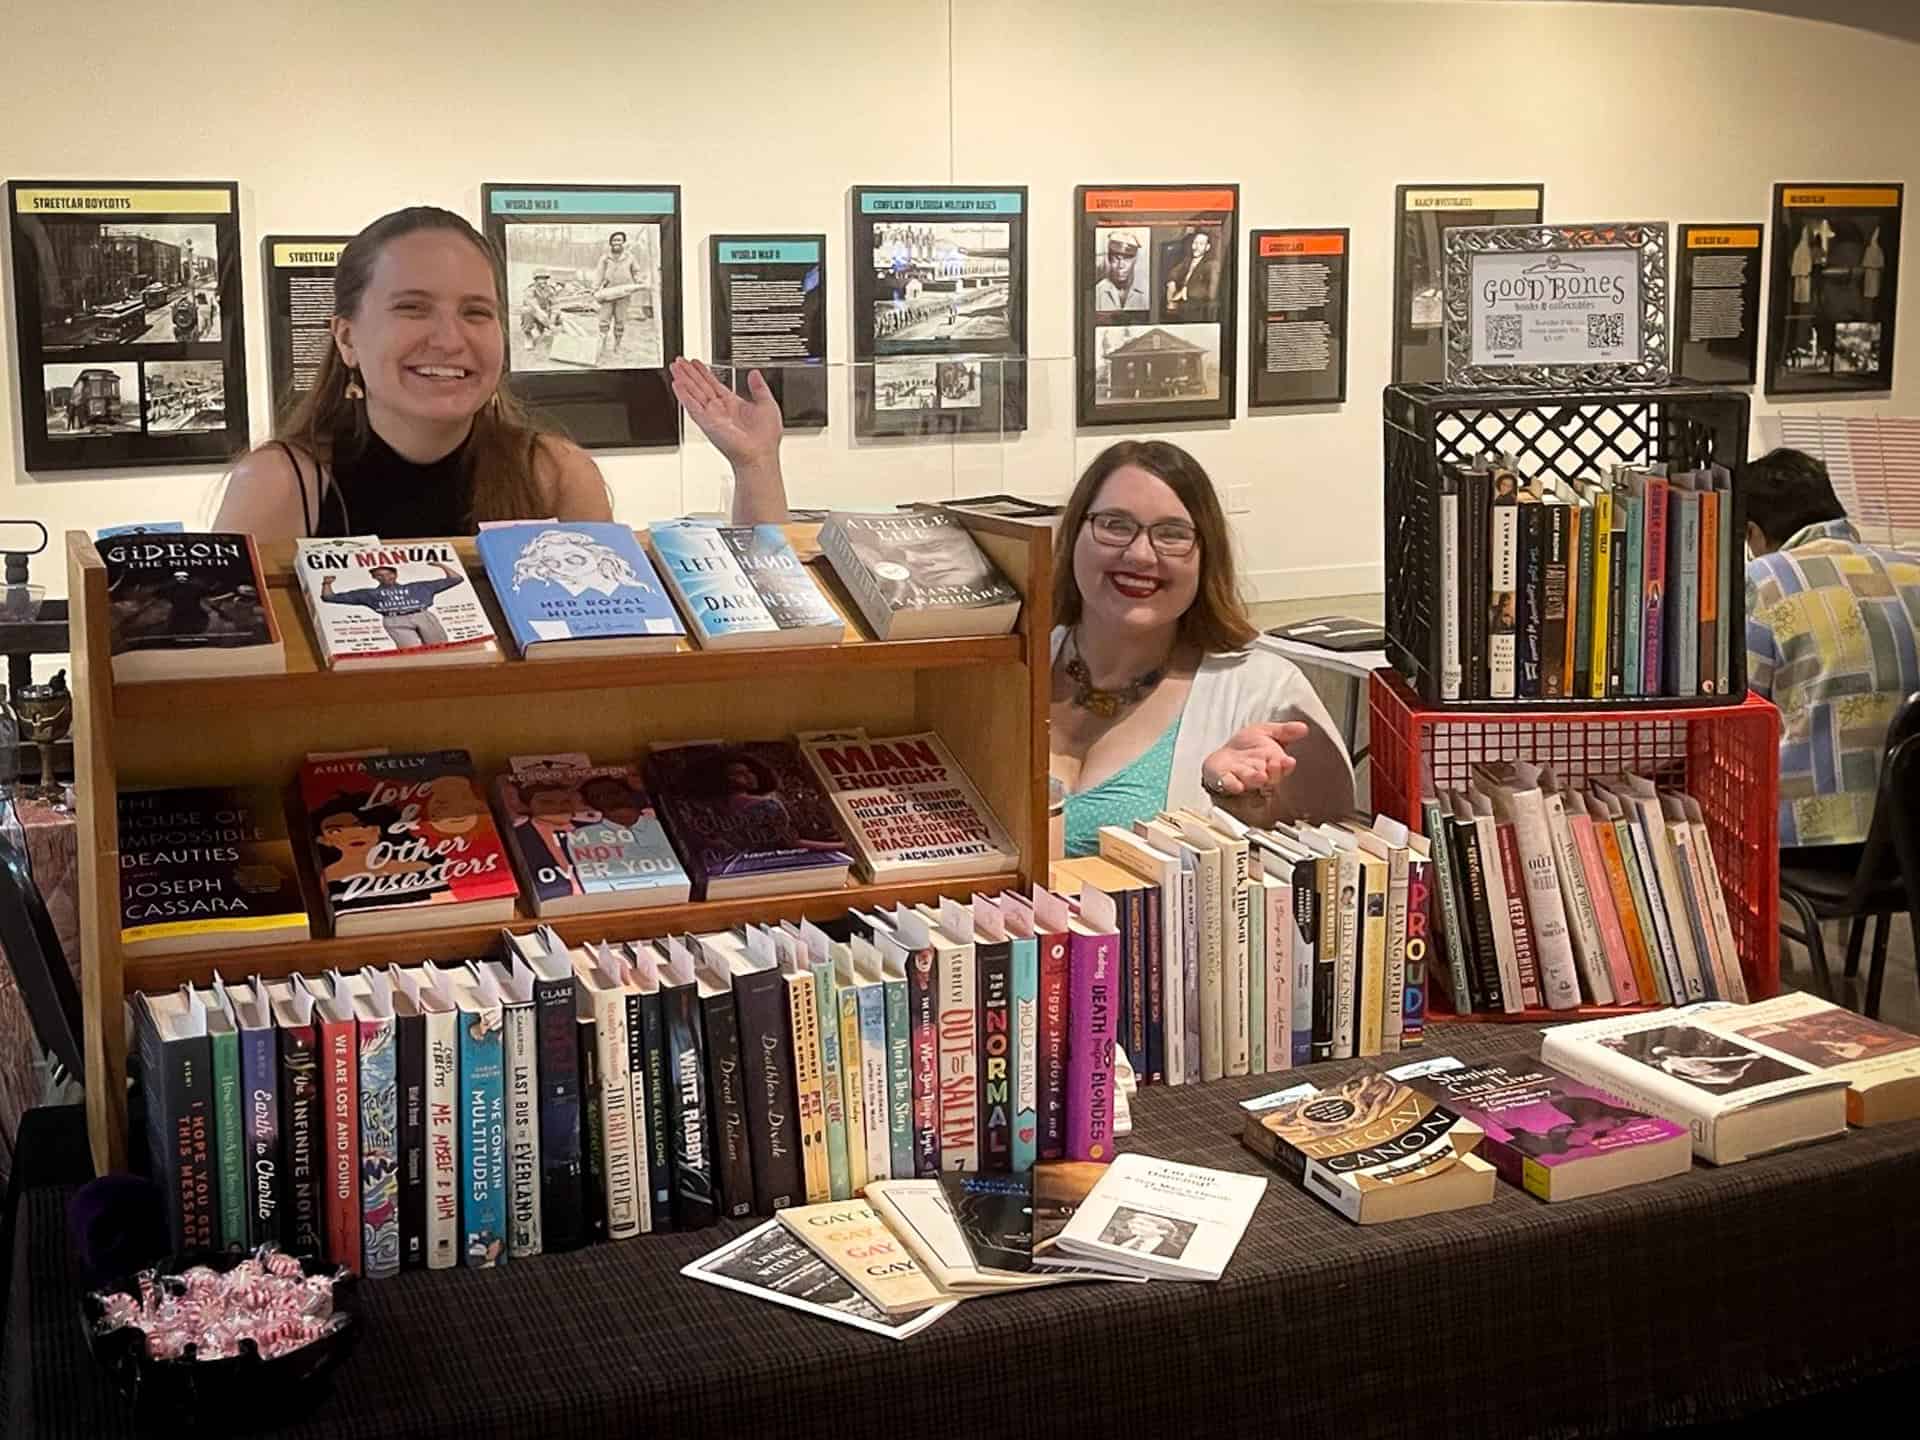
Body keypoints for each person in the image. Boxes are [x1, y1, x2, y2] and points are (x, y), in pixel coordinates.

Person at [668, 358, 1353, 854]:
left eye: (1173, 535)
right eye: (1114, 525)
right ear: (1073, 535)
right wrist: (756, 468)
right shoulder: (1009, 654)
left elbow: (1333, 855)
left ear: (1206, 558)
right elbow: (793, 634)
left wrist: (1255, 808)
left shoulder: (1258, 689)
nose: (1140, 556)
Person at [215, 206, 613, 541]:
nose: (449, 340)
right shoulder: (277, 485)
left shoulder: (557, 476)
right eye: (412, 308)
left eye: (475, 312)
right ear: (347, 338)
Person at [1743, 447, 1920, 852]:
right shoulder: (1914, 571)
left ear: (1753, 532)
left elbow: (1737, 716)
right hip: (1909, 841)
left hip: (1811, 841)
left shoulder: (1761, 581)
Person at [319, 561, 462, 649]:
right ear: (374, 578)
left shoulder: (418, 587)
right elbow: (329, 597)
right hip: (393, 620)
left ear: (395, 574)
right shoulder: (369, 594)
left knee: (440, 647)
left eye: (388, 574)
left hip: (422, 614)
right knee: (410, 652)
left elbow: (456, 579)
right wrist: (327, 583)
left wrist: (441, 565)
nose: (385, 578)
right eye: (379, 576)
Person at [591, 230, 647, 363]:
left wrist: (639, 280)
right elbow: (599, 273)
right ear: (611, 243)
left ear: (623, 243)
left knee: (620, 321)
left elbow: (636, 271)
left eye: (619, 240)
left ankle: (617, 345)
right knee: (604, 321)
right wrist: (594, 288)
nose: (617, 243)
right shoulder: (605, 258)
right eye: (614, 240)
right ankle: (602, 346)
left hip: (624, 294)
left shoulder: (630, 257)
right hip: (607, 293)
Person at [1163, 230, 1219, 318]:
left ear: (1207, 247)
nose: (1196, 247)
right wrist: (1172, 282)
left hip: (1198, 311)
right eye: (1195, 243)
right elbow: (1174, 272)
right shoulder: (1188, 260)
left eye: (1201, 244)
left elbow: (1212, 292)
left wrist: (1186, 291)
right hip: (1182, 308)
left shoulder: (1212, 265)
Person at [1094, 232, 1149, 312]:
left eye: (1127, 259)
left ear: (1135, 260)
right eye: (1116, 258)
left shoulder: (1145, 293)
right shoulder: (1098, 292)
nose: (1121, 265)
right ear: (1109, 260)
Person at [519, 271, 560, 347]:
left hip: (545, 314)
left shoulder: (550, 290)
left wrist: (552, 320)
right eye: (541, 278)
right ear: (536, 280)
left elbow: (555, 305)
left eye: (545, 279)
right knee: (527, 310)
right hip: (535, 313)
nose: (543, 281)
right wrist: (544, 318)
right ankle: (528, 336)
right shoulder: (530, 290)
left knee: (560, 316)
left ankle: (543, 330)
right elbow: (534, 305)